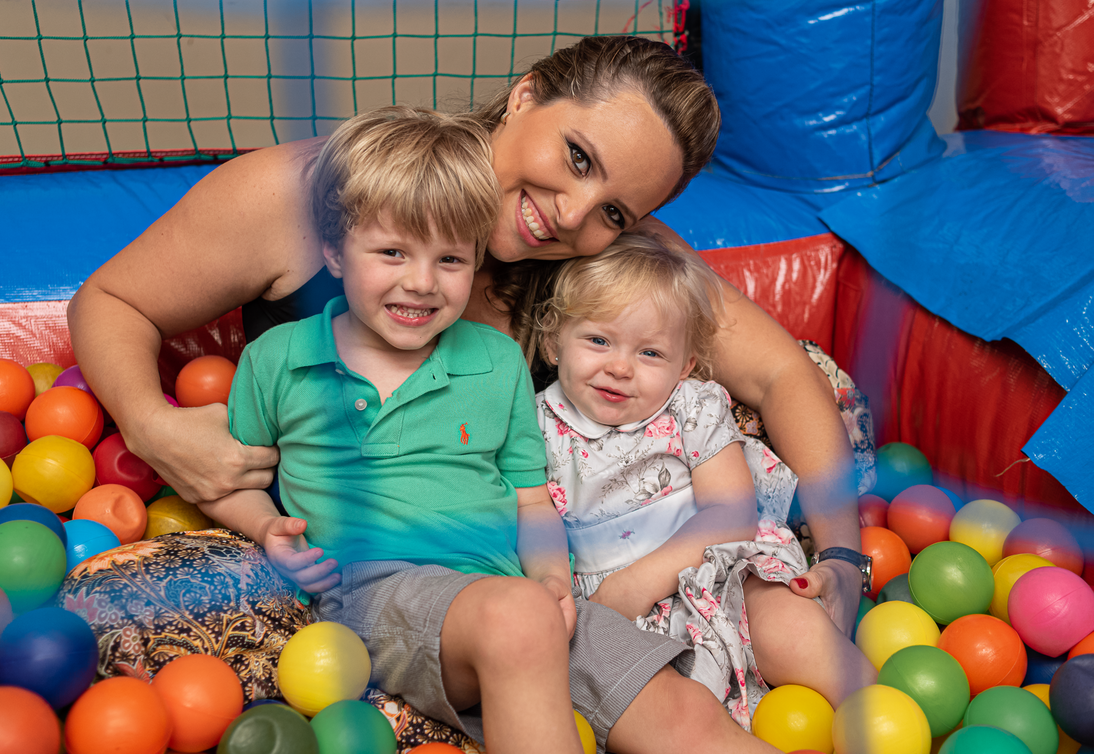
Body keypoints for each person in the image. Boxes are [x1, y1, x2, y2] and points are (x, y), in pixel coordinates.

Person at [67, 35, 863, 633]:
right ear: (525, 96)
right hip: (322, 555)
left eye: (616, 210)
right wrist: (151, 424)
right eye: (577, 157)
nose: (572, 214)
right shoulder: (312, 194)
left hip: (510, 586)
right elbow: (109, 299)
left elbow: (781, 373)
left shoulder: (613, 255)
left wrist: (842, 557)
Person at [197, 105, 779, 754]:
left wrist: (553, 578)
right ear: (334, 250)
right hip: (376, 589)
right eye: (392, 252)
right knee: (518, 619)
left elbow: (530, 499)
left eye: (450, 258)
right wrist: (265, 527)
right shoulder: (279, 360)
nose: (421, 282)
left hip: (512, 595)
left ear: (476, 260)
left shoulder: (497, 361)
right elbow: (229, 475)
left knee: (683, 709)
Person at [532, 232, 876, 730]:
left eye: (651, 353)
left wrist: (640, 580)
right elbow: (532, 518)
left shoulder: (691, 407)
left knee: (791, 629)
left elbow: (731, 512)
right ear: (552, 341)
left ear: (685, 365)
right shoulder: (534, 425)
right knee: (658, 710)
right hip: (615, 614)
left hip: (720, 570)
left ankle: (879, 712)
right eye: (599, 340)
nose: (620, 367)